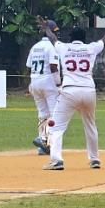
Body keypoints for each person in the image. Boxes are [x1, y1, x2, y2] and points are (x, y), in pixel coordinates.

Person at [42, 13, 105, 170]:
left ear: (71, 38)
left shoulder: (64, 47)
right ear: (84, 39)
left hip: (69, 91)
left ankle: (56, 160)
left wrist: (46, 29)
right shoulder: (90, 48)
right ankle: (94, 159)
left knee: (56, 127)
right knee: (90, 125)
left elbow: (53, 39)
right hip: (88, 91)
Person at [26, 19, 61, 155]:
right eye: (55, 32)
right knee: (54, 114)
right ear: (50, 32)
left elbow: (29, 67)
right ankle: (49, 142)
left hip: (35, 81)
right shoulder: (52, 47)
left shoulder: (35, 47)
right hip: (48, 82)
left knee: (42, 113)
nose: (56, 34)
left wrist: (32, 82)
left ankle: (42, 142)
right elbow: (53, 67)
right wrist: (58, 84)